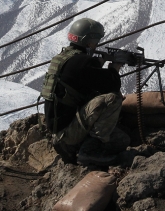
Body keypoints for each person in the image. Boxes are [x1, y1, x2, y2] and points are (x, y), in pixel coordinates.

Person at [41, 18, 130, 165]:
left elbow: (84, 82)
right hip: (67, 132)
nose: (97, 45)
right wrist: (115, 68)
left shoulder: (63, 58)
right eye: (96, 41)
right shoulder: (85, 62)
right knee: (113, 99)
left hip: (57, 126)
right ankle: (90, 150)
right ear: (88, 42)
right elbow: (111, 85)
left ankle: (74, 143)